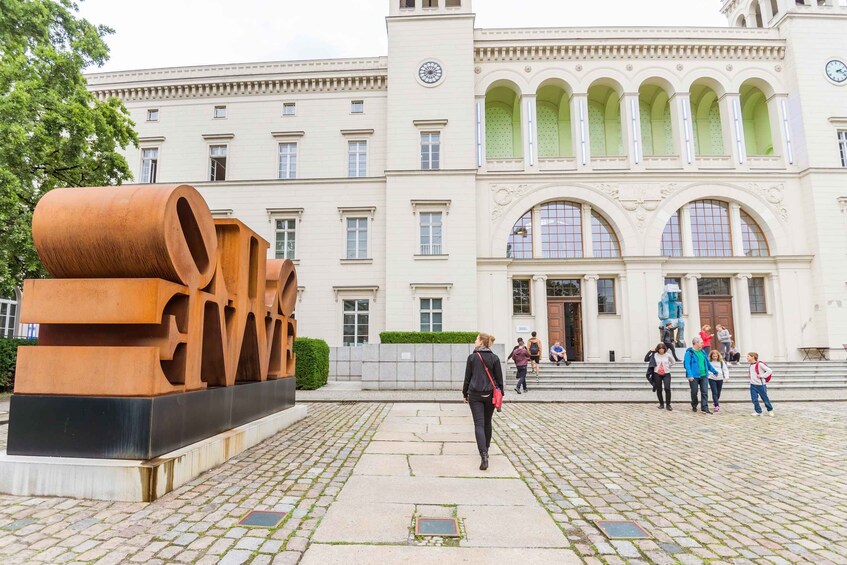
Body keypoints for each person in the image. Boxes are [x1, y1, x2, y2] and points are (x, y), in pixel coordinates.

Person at [463, 333, 504, 470]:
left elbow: (467, 378)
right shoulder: (494, 358)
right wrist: (500, 394)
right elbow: (499, 379)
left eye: (476, 339)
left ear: (481, 342)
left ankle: (483, 454)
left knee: (478, 424)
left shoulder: (472, 357)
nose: (475, 341)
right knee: (487, 422)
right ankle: (486, 448)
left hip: (475, 394)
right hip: (490, 395)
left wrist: (464, 394)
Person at [684, 336, 718, 414]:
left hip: (704, 375)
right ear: (696, 343)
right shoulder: (689, 353)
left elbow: (707, 363)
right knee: (694, 391)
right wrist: (690, 375)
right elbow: (687, 365)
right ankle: (694, 405)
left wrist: (714, 371)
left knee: (704, 392)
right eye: (701, 342)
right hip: (694, 376)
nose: (702, 344)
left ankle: (704, 408)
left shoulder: (702, 352)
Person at [748, 352, 774, 417]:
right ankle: (758, 411)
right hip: (753, 385)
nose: (747, 358)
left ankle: (770, 410)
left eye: (748, 356)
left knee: (765, 398)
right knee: (754, 399)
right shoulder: (751, 365)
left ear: (753, 357)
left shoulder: (760, 364)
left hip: (761, 385)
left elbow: (769, 371)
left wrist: (762, 376)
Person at [650, 343, 675, 410]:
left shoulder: (668, 355)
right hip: (657, 374)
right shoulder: (655, 355)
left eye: (662, 349)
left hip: (666, 374)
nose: (661, 350)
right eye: (660, 349)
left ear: (664, 349)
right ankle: (661, 404)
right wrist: (650, 351)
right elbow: (646, 359)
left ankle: (668, 404)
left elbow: (673, 362)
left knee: (667, 388)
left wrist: (668, 366)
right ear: (658, 349)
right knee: (659, 389)